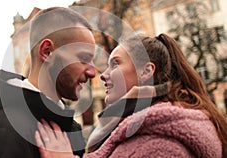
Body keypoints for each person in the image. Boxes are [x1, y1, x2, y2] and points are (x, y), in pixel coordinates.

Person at [35, 33, 227, 157]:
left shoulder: (160, 141)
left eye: (116, 64)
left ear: (146, 71)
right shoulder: (144, 127)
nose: (103, 75)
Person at [0, 7, 96, 158]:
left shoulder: (70, 126)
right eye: (83, 58)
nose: (92, 72)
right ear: (47, 52)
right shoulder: (3, 129)